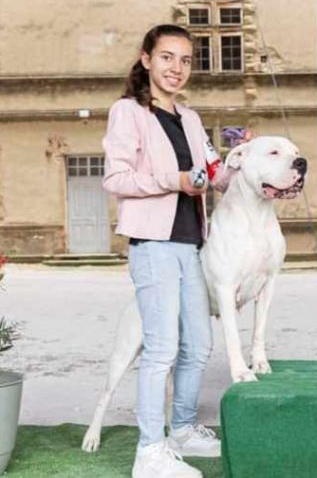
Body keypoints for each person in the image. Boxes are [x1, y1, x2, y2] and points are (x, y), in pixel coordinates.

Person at [102, 24, 228, 478]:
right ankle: (149, 453)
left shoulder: (190, 119)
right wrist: (170, 180)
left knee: (198, 345)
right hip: (153, 246)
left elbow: (213, 175)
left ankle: (182, 430)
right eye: (167, 57)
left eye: (185, 60)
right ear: (146, 60)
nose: (177, 68)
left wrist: (241, 161)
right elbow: (115, 179)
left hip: (190, 244)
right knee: (161, 350)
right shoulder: (128, 112)